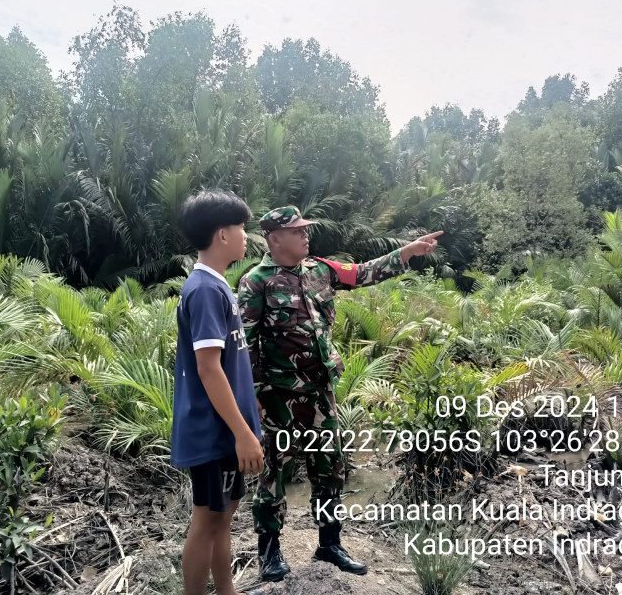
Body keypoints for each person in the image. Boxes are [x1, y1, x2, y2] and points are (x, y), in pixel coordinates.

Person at [238, 205, 442, 581]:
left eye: (305, 230)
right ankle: (270, 553)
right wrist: (250, 399)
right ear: (275, 238)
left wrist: (407, 252)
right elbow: (245, 344)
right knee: (275, 473)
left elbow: (364, 272)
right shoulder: (257, 281)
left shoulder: (321, 270)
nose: (305, 235)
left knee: (330, 467)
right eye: (297, 231)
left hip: (321, 393)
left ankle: (329, 544)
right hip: (278, 397)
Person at [170, 190, 271, 595]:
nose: (246, 236)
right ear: (221, 234)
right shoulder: (205, 291)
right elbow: (208, 369)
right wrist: (243, 433)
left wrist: (250, 413)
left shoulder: (217, 286)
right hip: (214, 433)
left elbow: (229, 364)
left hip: (226, 430)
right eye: (241, 227)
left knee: (223, 515)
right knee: (207, 520)